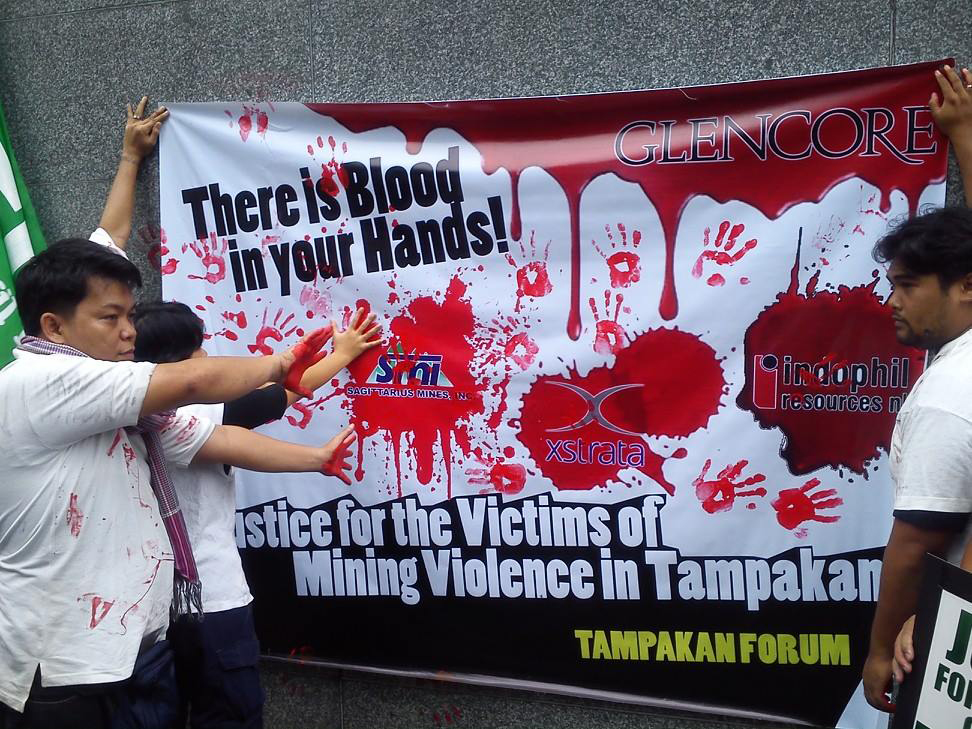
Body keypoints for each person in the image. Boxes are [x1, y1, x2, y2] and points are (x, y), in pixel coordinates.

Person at [0, 100, 352, 729]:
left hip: (137, 648)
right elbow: (195, 382)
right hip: (67, 671)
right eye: (112, 320)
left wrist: (131, 158)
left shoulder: (133, 414)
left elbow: (220, 434)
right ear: (53, 327)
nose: (127, 332)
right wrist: (277, 362)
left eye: (131, 316)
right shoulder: (46, 382)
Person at [130, 302, 379, 729]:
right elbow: (284, 393)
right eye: (199, 350)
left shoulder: (120, 414)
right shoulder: (197, 412)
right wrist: (344, 354)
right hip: (214, 603)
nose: (208, 358)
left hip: (145, 614)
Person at [860, 200, 972, 710]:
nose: (893, 302)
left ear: (966, 286)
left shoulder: (949, 394)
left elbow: (916, 543)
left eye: (908, 287)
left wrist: (881, 651)